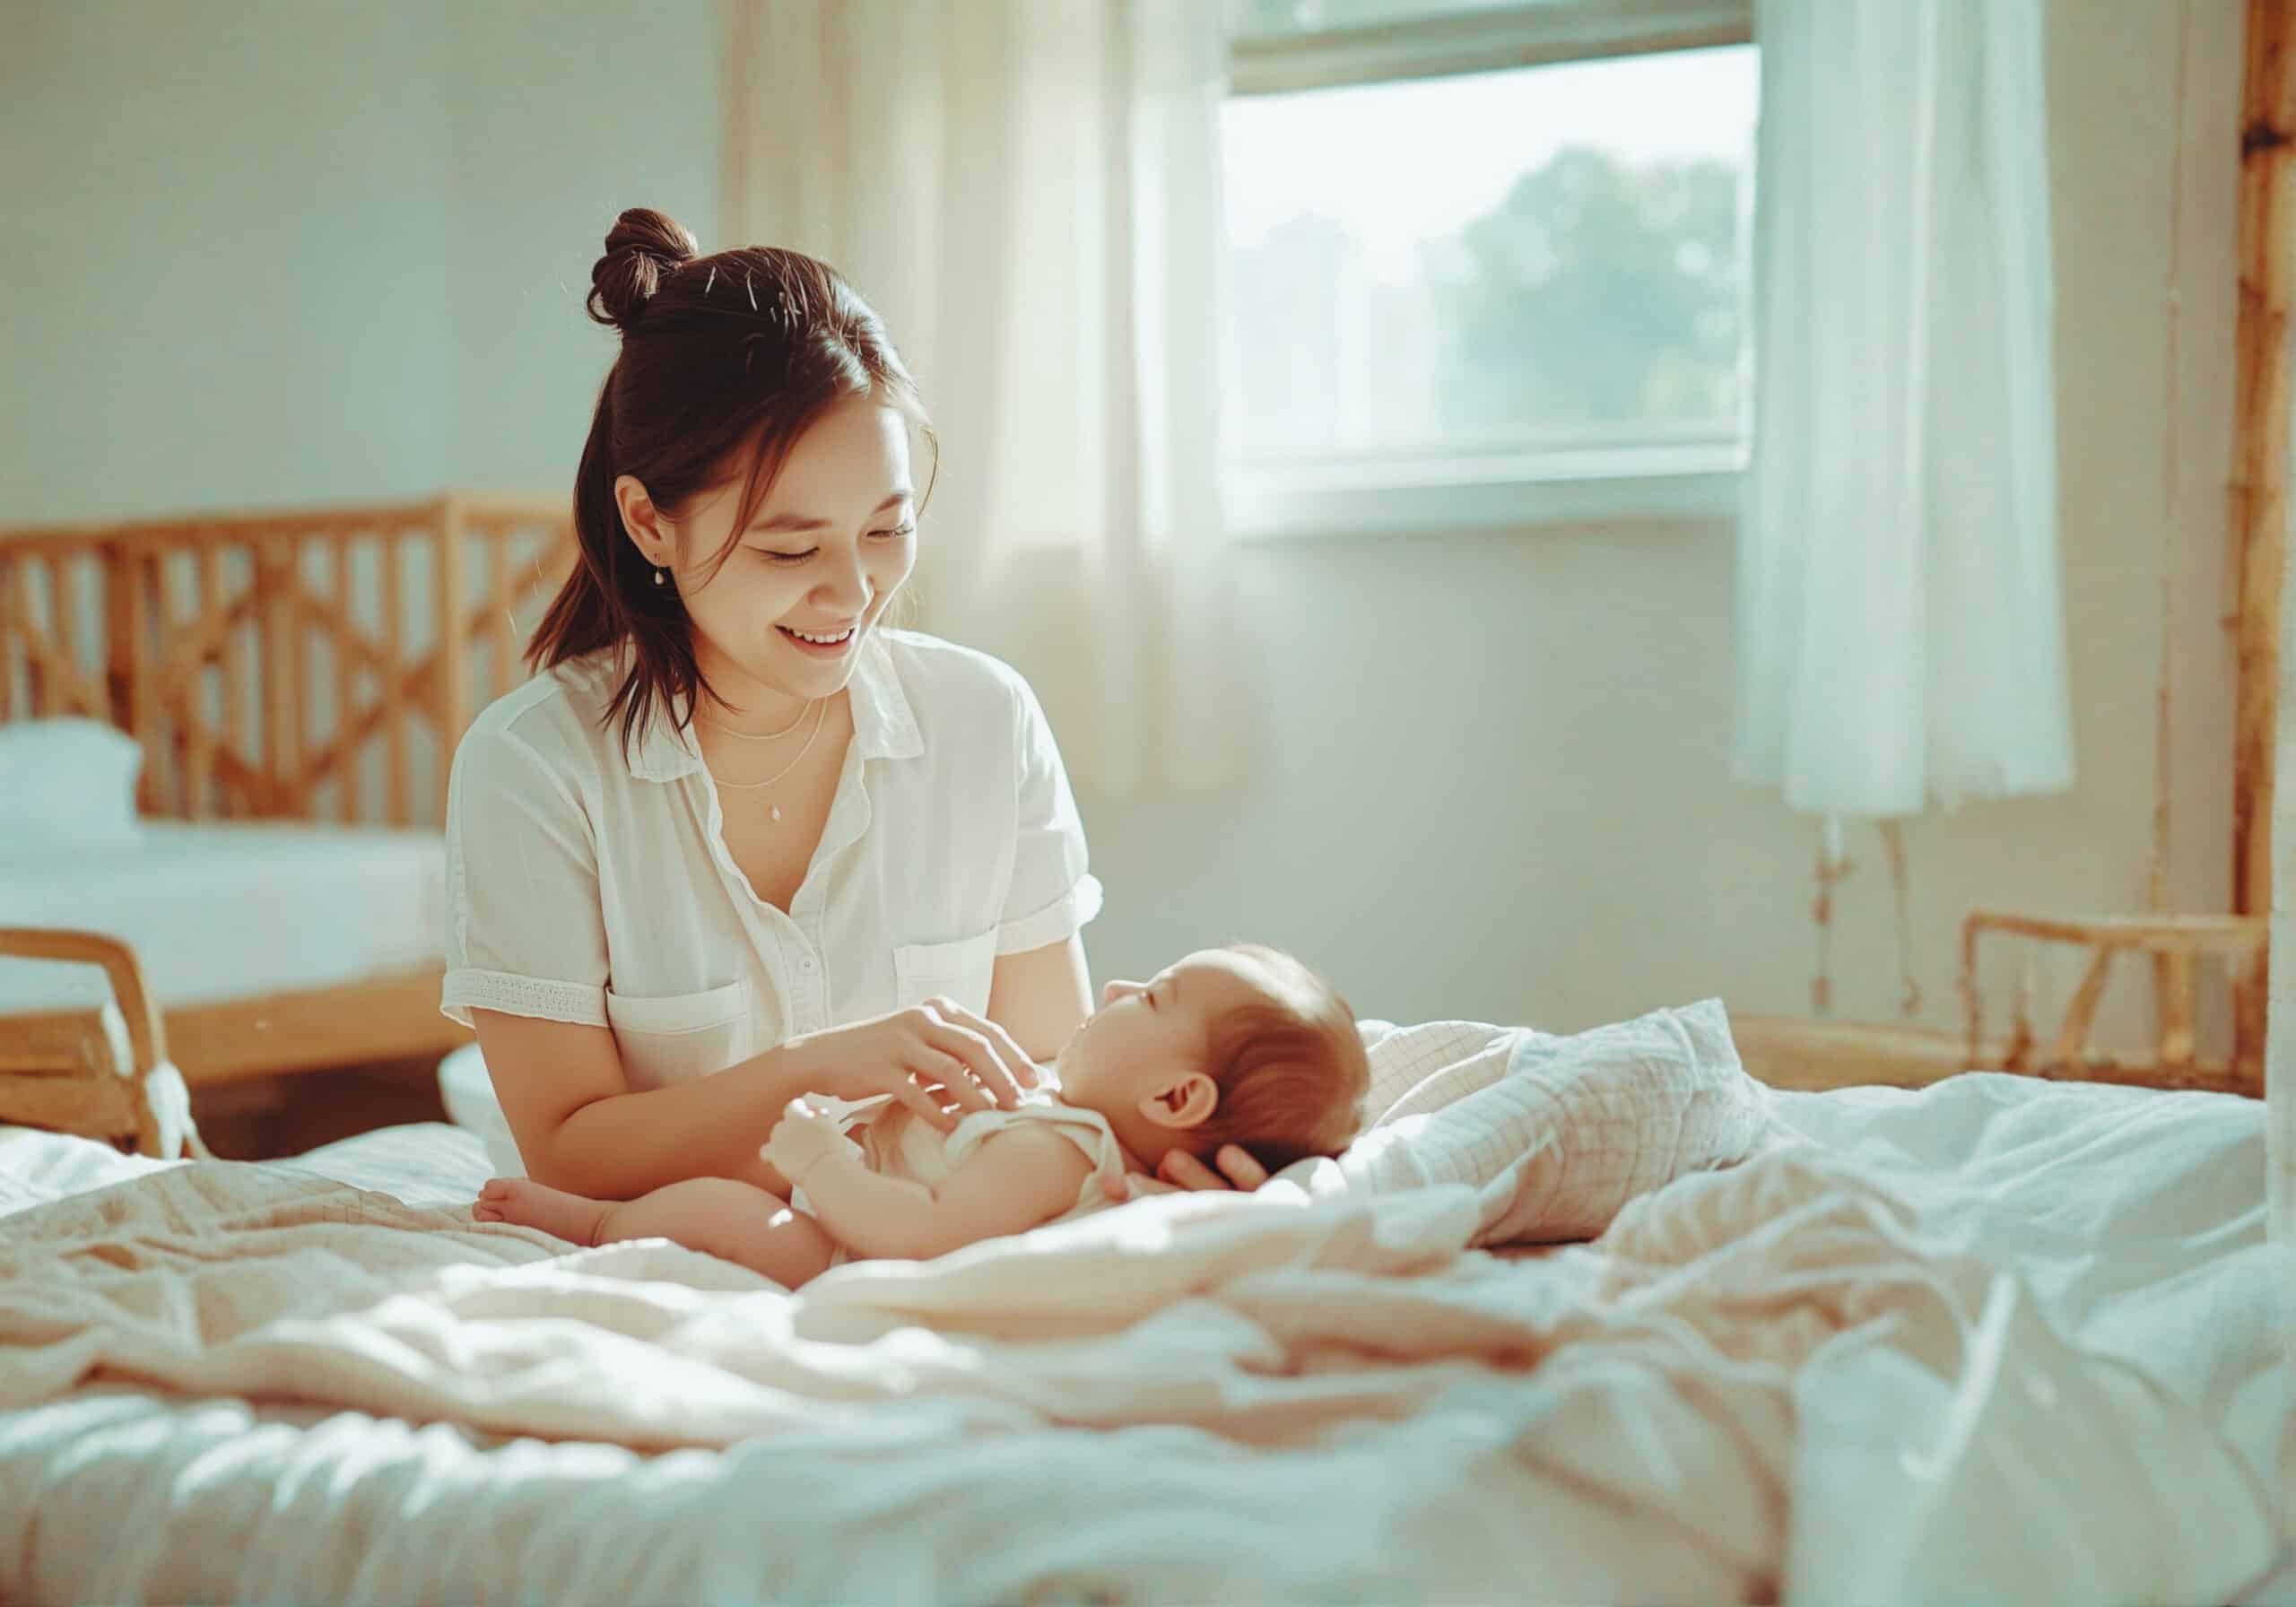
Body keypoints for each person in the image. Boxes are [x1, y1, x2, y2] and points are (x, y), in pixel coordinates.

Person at [441, 207, 1270, 1214]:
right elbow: (568, 1157)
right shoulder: (536, 767)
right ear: (649, 520)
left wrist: (1155, 1150)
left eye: (887, 529)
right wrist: (817, 1069)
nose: (853, 592)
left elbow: (1049, 1069)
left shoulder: (982, 721)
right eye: (790, 550)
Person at [473, 944, 1370, 1287]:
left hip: (844, 1243)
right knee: (728, 1187)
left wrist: (824, 1164)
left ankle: (593, 1224)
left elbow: (921, 1238)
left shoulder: (1057, 1156)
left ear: (1175, 1100)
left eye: (1153, 997)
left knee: (726, 1212)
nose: (1119, 985)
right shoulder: (1057, 1121)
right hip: (857, 1193)